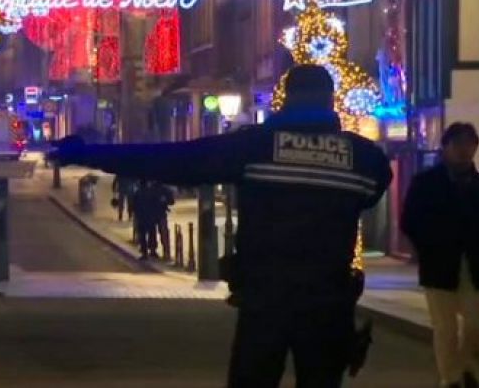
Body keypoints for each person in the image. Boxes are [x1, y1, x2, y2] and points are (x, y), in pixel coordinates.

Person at [52, 64, 392, 387]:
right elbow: (372, 193)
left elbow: (171, 161)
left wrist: (86, 152)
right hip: (328, 299)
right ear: (329, 100)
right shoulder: (363, 160)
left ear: (286, 99)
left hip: (265, 296)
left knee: (253, 379)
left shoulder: (255, 147)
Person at [401, 123, 479, 388]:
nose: (464, 150)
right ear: (446, 147)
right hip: (439, 262)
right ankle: (450, 378)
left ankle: (463, 364)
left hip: (474, 262)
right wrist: (426, 247)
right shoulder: (426, 182)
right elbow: (410, 221)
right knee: (445, 326)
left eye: (470, 144)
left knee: (477, 322)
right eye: (458, 144)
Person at [132, 180, 171, 260]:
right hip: (148, 214)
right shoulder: (143, 190)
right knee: (149, 233)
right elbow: (135, 204)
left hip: (158, 214)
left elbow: (171, 200)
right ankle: (149, 251)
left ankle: (162, 252)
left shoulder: (162, 189)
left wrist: (165, 201)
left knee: (160, 233)